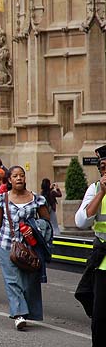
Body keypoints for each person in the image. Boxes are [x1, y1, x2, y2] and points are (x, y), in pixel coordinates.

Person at [0, 166, 50, 330]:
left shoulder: (37, 199)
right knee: (12, 281)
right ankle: (18, 314)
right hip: (7, 245)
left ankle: (28, 311)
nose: (19, 178)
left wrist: (34, 228)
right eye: (15, 176)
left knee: (29, 282)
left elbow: (46, 223)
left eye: (22, 175)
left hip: (31, 247)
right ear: (9, 180)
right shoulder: (2, 199)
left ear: (25, 178)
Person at [74, 145, 106, 345]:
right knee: (100, 319)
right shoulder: (94, 189)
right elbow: (81, 221)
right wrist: (101, 194)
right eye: (103, 167)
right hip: (103, 263)